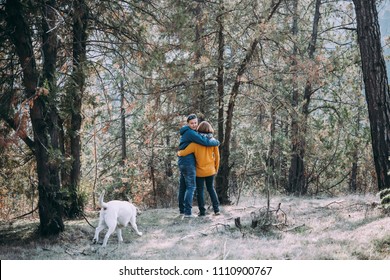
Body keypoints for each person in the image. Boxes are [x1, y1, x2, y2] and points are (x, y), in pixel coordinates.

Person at [178, 114, 220, 218]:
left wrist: (179, 153)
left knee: (199, 191)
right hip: (211, 170)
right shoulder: (212, 143)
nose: (194, 125)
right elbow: (217, 157)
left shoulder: (194, 144)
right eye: (192, 123)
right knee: (211, 189)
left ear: (198, 128)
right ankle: (217, 209)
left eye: (195, 123)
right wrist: (216, 168)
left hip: (200, 171)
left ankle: (202, 212)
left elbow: (183, 152)